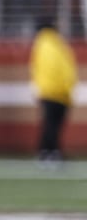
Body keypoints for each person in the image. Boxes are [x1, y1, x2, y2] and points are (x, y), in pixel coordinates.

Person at [30, 20, 77, 162]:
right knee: (53, 124)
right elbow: (61, 69)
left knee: (51, 124)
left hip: (50, 91)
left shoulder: (44, 44)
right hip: (57, 91)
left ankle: (48, 151)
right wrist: (66, 86)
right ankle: (50, 152)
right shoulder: (54, 44)